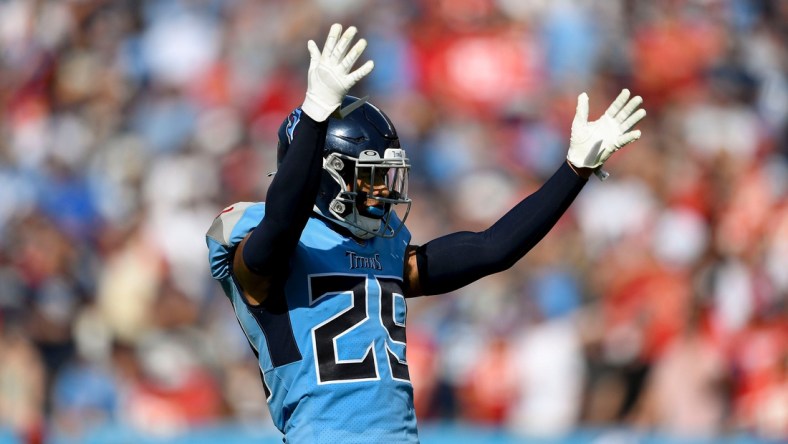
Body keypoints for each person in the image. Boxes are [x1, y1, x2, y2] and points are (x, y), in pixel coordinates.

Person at [205, 23, 646, 443]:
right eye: (368, 176)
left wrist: (574, 171)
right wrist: (315, 114)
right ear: (325, 175)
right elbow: (283, 223)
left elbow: (493, 249)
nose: (381, 190)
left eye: (385, 175)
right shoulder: (265, 251)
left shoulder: (384, 250)